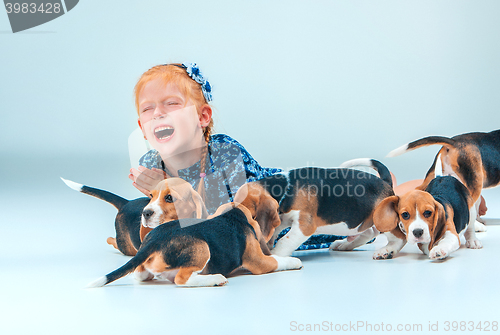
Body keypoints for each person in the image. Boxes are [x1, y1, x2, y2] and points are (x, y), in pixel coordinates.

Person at [128, 62, 343, 250]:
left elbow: (225, 223)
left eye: (171, 103)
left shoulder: (225, 153)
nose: (158, 113)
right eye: (148, 108)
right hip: (253, 230)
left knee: (345, 213)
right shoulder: (150, 164)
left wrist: (170, 187)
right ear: (142, 127)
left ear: (202, 117)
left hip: (285, 209)